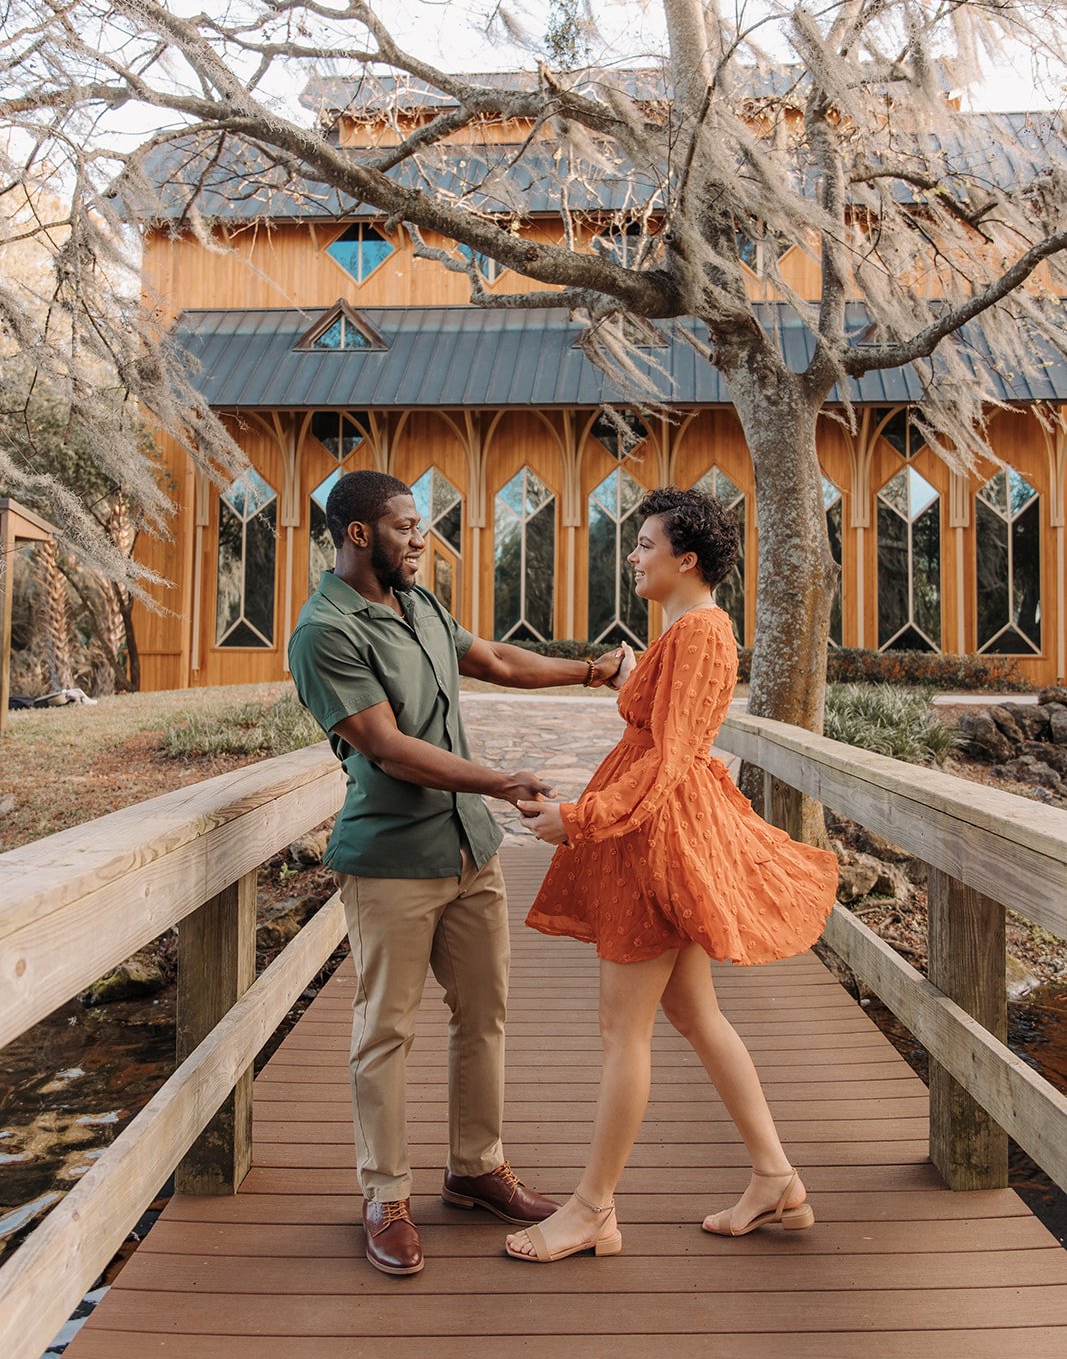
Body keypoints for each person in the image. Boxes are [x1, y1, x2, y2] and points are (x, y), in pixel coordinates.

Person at [287, 469, 626, 1278]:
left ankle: (475, 1169)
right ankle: (386, 1194)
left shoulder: (420, 604)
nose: (421, 537)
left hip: (470, 851)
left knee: (484, 1014)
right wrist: (501, 781)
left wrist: (594, 670)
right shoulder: (324, 631)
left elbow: (499, 661)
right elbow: (386, 746)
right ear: (359, 533)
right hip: (393, 862)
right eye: (407, 525)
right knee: (386, 1030)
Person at [507, 485, 839, 1264]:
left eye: (645, 544)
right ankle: (774, 1179)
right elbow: (671, 728)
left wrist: (579, 821)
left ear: (685, 559)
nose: (632, 555)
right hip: (657, 833)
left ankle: (591, 1209)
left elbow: (673, 754)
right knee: (692, 1015)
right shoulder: (688, 631)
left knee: (621, 1030)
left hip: (655, 841)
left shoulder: (700, 634)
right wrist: (630, 682)